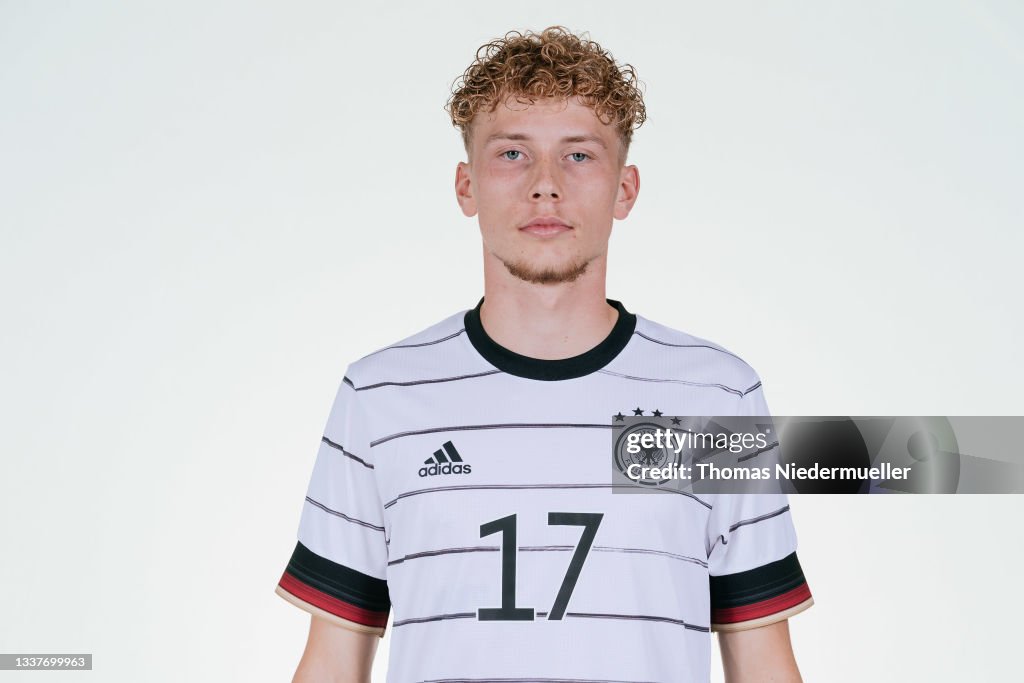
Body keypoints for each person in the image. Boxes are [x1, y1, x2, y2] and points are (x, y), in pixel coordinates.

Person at [275, 25, 813, 683]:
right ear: (466, 185)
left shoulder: (718, 400)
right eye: (512, 154)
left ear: (625, 189)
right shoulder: (379, 396)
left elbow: (762, 661)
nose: (546, 185)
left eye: (579, 155)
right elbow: (332, 661)